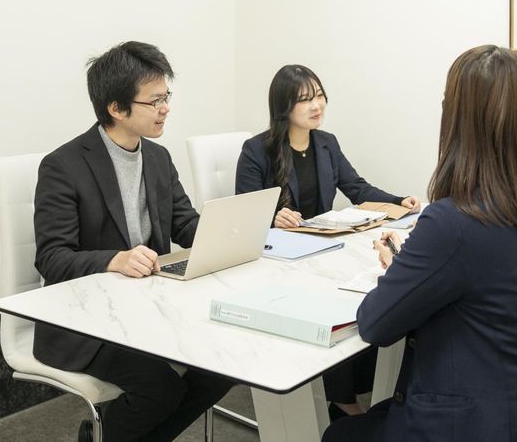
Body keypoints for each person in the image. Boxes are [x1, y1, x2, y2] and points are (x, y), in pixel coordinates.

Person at [322, 45, 517, 442]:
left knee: (339, 435)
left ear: (455, 118)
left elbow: (374, 323)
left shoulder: (454, 221)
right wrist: (413, 267)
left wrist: (401, 270)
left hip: (479, 422)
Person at [33, 41, 233, 442]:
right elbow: (52, 258)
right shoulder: (63, 166)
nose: (165, 108)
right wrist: (114, 260)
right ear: (116, 107)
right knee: (160, 389)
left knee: (224, 367)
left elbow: (184, 224)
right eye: (155, 100)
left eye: (166, 96)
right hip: (86, 320)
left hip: (148, 308)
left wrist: (231, 234)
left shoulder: (158, 158)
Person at [235, 64, 420, 418]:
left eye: (319, 96)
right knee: (333, 298)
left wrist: (399, 201)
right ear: (284, 105)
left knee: (362, 295)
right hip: (277, 260)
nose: (316, 105)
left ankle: (352, 388)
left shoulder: (326, 143)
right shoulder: (257, 150)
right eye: (305, 99)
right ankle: (342, 399)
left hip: (319, 250)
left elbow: (357, 188)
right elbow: (243, 213)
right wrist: (272, 217)